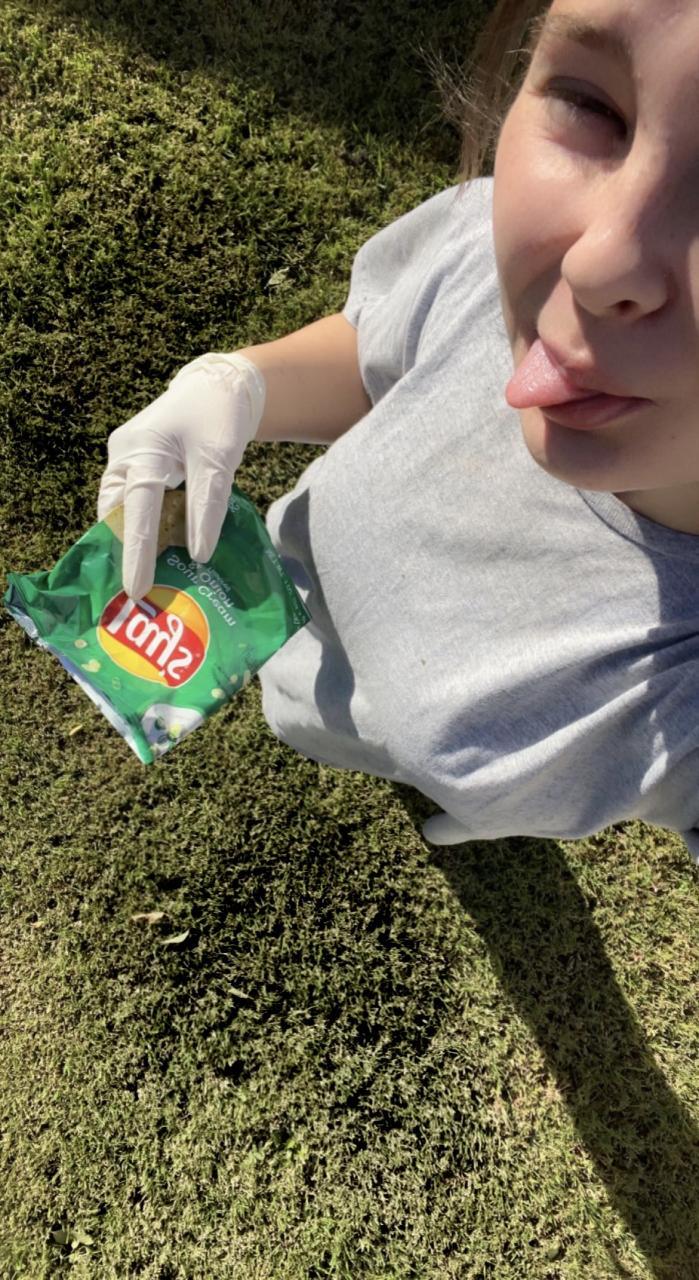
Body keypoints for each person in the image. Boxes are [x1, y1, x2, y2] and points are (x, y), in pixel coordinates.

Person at [97, 0, 699, 861]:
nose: (596, 263)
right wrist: (239, 382)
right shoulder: (480, 245)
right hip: (294, 645)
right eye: (591, 106)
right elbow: (384, 350)